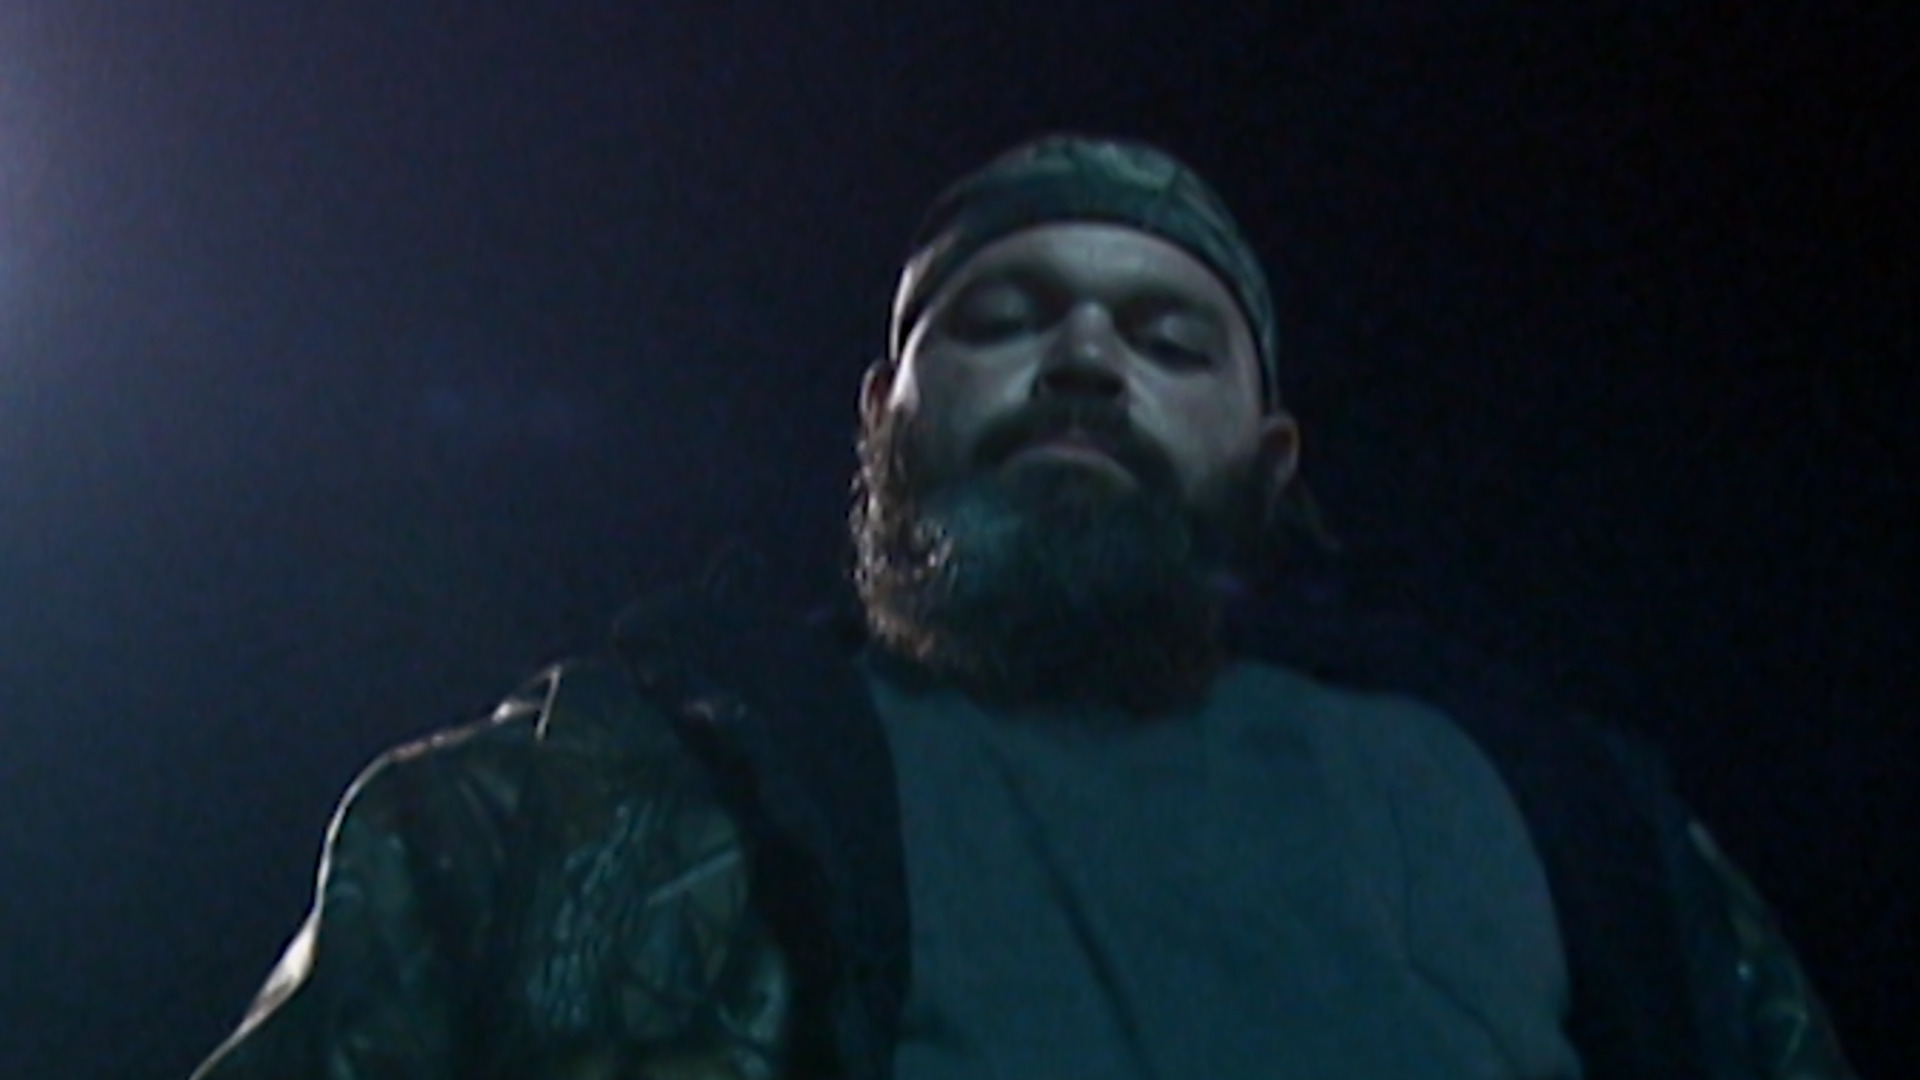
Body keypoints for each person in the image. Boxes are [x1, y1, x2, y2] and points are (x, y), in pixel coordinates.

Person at [189, 135, 1856, 1080]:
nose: (1084, 359)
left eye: (1169, 339)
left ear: (1271, 458)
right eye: (1004, 317)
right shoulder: (567, 805)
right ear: (883, 417)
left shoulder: (1579, 831)